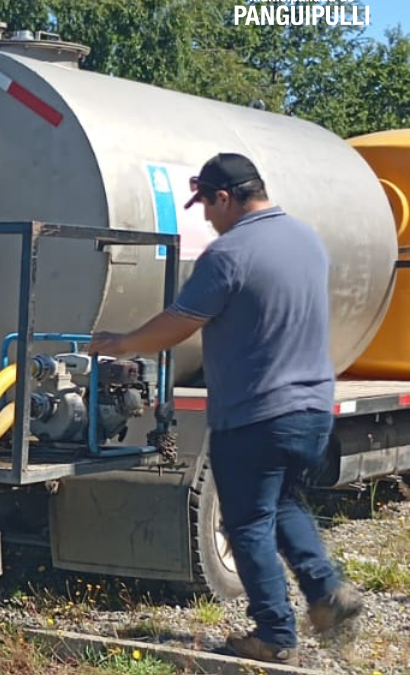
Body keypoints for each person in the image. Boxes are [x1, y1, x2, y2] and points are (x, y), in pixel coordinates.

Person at [89, 152, 363, 666]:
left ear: (225, 196)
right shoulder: (306, 240)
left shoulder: (230, 253)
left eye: (208, 206)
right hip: (311, 409)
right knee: (280, 503)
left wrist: (120, 342)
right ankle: (326, 592)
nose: (207, 219)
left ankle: (274, 633)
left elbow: (179, 322)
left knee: (246, 523)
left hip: (257, 411)